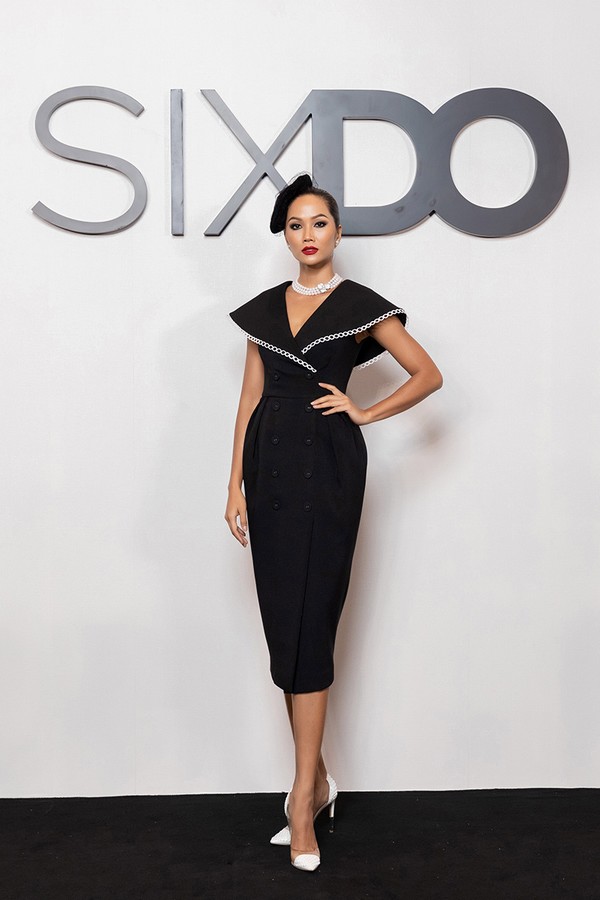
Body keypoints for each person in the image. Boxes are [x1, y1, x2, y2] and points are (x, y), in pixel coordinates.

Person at [225, 172, 443, 872]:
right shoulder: (265, 309)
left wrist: (365, 411)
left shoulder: (358, 305)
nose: (308, 235)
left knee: (312, 619)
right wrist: (234, 482)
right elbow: (250, 397)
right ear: (285, 236)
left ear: (338, 231)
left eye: (319, 222)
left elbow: (427, 374)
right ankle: (315, 781)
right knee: (283, 624)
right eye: (296, 225)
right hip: (268, 471)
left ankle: (300, 803)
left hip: (327, 472)